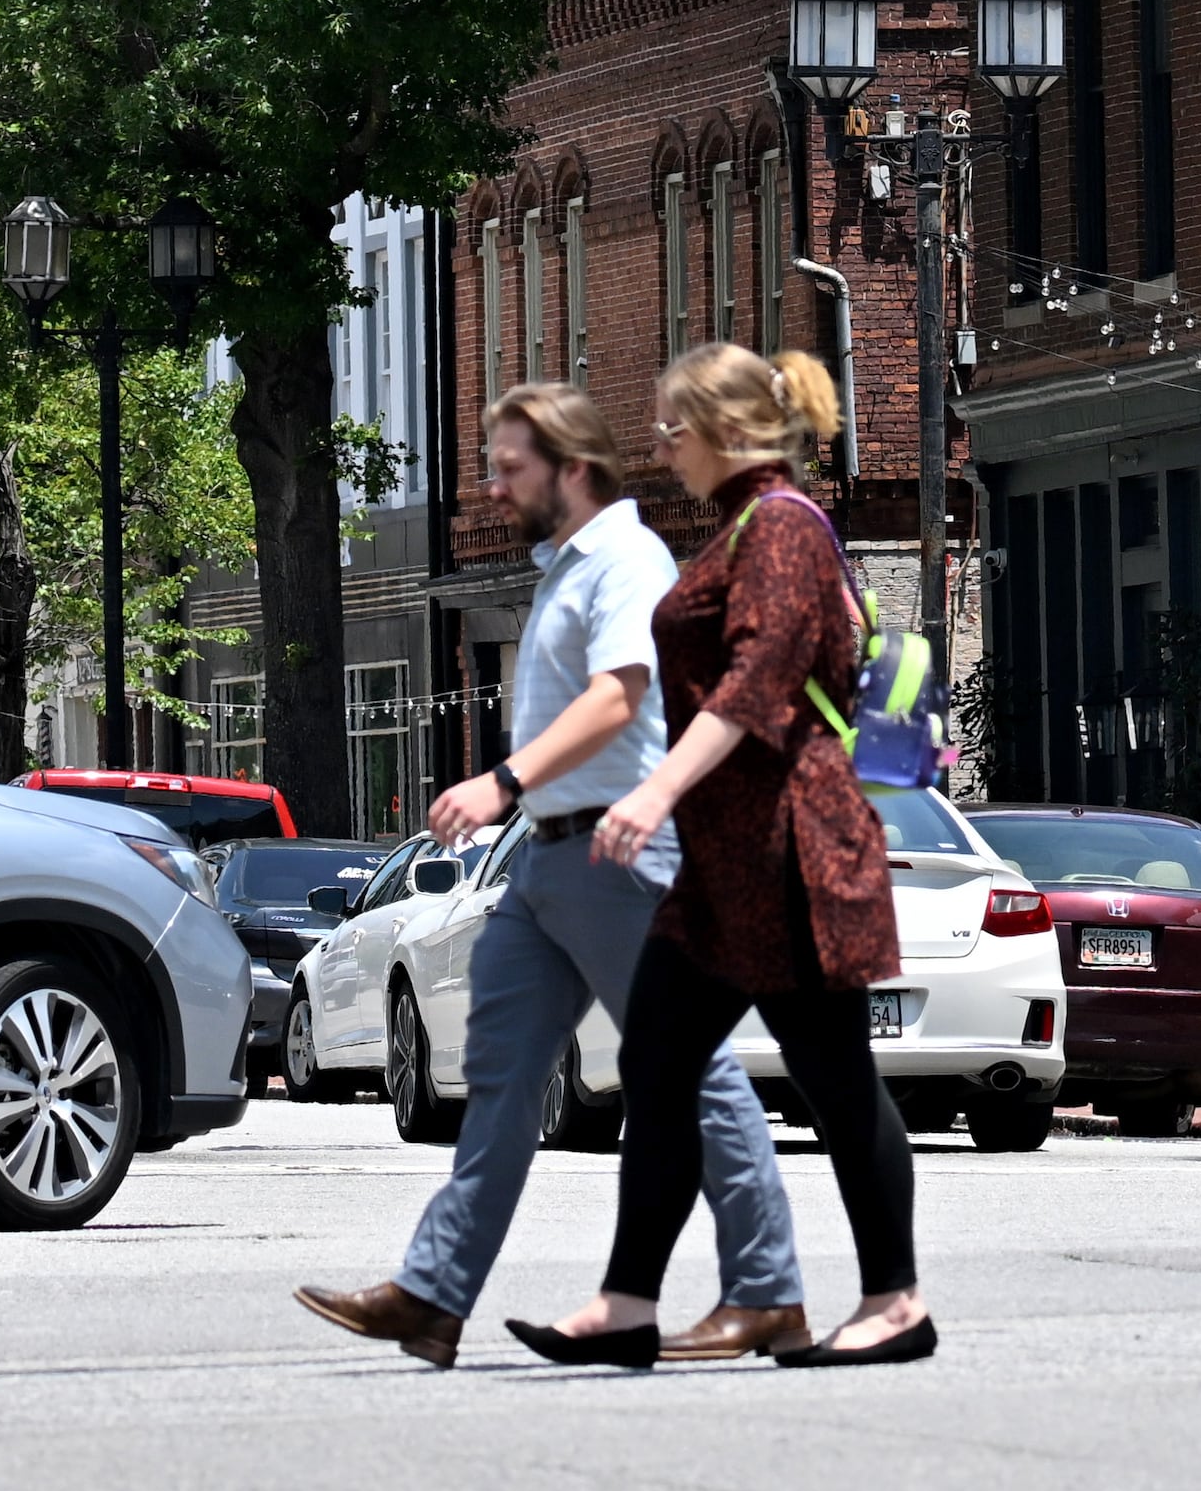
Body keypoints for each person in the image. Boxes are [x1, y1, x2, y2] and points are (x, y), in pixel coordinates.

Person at [292, 383, 807, 1369]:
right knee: (501, 1078)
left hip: (620, 858)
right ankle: (434, 1296)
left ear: (573, 470)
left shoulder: (625, 558)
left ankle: (769, 1290)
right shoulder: (564, 569)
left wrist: (503, 780)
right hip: (546, 865)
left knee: (691, 1073)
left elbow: (621, 696)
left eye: (511, 467)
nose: (491, 486)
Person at [508, 344, 931, 1371]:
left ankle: (894, 1302)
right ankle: (627, 1304)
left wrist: (653, 789)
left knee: (835, 1079)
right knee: (655, 1063)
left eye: (673, 428)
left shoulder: (781, 527)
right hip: (724, 868)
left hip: (790, 851)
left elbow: (760, 682)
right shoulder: (740, 527)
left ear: (731, 431)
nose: (660, 448)